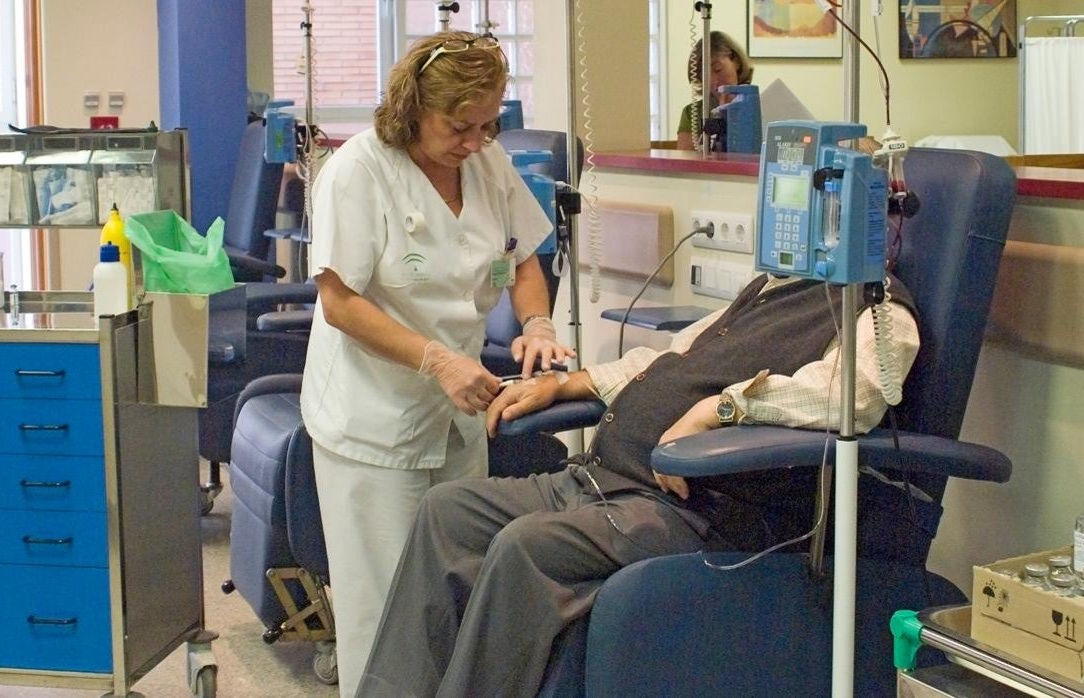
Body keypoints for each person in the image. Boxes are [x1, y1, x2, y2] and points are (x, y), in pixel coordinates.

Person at [357, 271, 921, 697]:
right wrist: (567, 385)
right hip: (604, 479)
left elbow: (855, 398)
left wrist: (720, 409)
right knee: (447, 512)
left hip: (695, 510)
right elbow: (673, 357)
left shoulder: (878, 312)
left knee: (526, 548)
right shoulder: (770, 288)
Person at [300, 30, 575, 696]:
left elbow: (524, 259)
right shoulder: (359, 172)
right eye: (461, 125)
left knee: (453, 601)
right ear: (414, 107)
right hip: (372, 420)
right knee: (385, 610)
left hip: (458, 415)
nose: (476, 140)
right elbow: (338, 302)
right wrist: (436, 361)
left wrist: (537, 321)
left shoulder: (486, 164)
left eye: (489, 124)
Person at [675, 30, 755, 151]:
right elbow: (685, 162)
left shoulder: (758, 106)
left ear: (736, 62)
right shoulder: (692, 113)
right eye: (705, 75)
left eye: (718, 69)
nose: (714, 80)